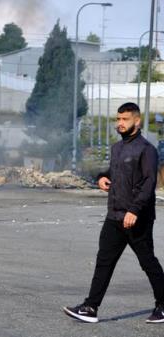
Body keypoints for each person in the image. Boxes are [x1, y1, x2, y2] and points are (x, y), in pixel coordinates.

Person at [63, 102, 164, 324]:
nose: (119, 123)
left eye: (125, 119)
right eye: (117, 119)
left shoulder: (146, 150)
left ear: (137, 121)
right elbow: (115, 171)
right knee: (104, 262)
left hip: (137, 218)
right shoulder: (117, 148)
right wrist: (102, 176)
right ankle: (90, 307)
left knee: (148, 262)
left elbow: (149, 183)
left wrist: (134, 210)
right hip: (114, 216)